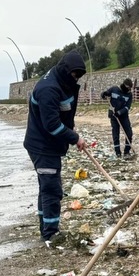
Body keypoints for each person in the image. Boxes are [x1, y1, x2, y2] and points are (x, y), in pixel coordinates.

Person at [23, 50, 87, 245]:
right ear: (65, 70)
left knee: (46, 187)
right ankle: (50, 233)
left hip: (49, 145)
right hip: (42, 146)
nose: (76, 79)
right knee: (51, 189)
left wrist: (71, 132)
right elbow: (51, 124)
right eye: (74, 75)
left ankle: (46, 230)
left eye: (78, 76)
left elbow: (64, 112)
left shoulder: (62, 81)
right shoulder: (48, 89)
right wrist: (74, 137)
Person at [101, 78, 135, 158]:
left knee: (129, 133)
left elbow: (127, 107)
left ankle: (127, 151)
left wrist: (119, 113)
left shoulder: (129, 95)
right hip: (113, 116)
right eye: (128, 87)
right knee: (116, 134)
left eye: (130, 88)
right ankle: (118, 153)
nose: (129, 89)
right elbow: (105, 95)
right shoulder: (114, 89)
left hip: (124, 117)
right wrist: (103, 94)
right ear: (124, 85)